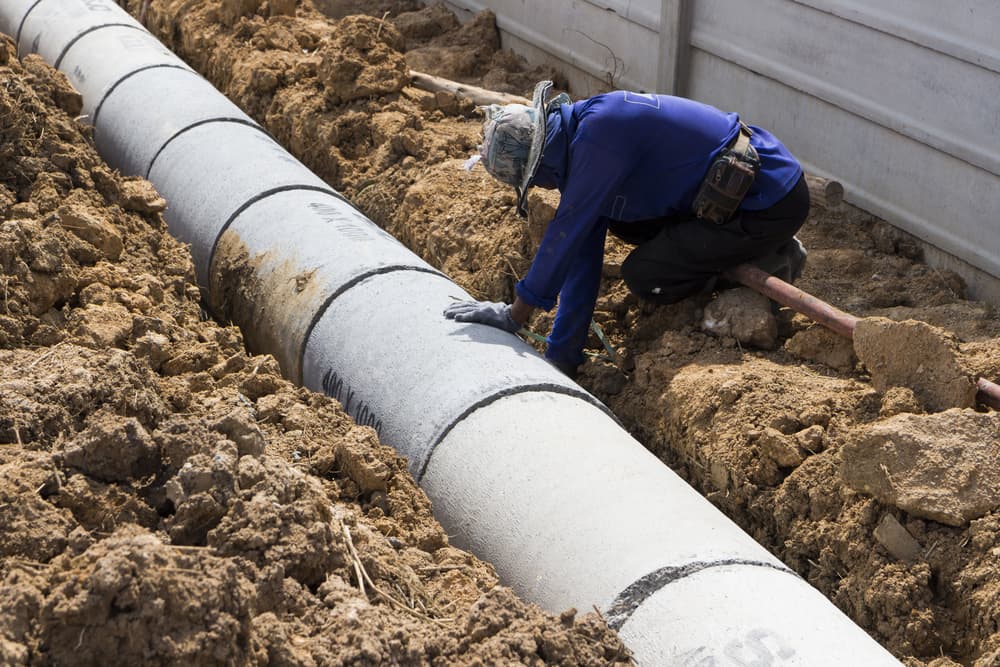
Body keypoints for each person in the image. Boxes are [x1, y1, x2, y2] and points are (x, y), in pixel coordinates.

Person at [444, 80, 810, 378]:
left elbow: (566, 233)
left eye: (533, 179)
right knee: (621, 220)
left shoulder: (599, 137)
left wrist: (514, 315)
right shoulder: (585, 127)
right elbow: (581, 250)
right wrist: (562, 356)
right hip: (729, 194)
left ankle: (770, 255)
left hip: (768, 200)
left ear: (541, 161)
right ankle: (730, 247)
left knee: (647, 276)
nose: (541, 186)